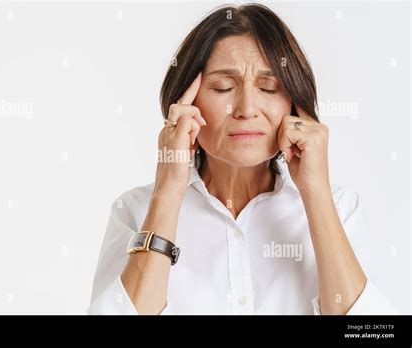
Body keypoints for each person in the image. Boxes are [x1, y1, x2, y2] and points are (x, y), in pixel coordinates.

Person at [87, 3, 396, 315]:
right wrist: (168, 190)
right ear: (186, 101)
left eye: (268, 87)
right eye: (223, 87)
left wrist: (315, 193)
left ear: (294, 104)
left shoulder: (341, 209)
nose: (247, 109)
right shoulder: (135, 211)